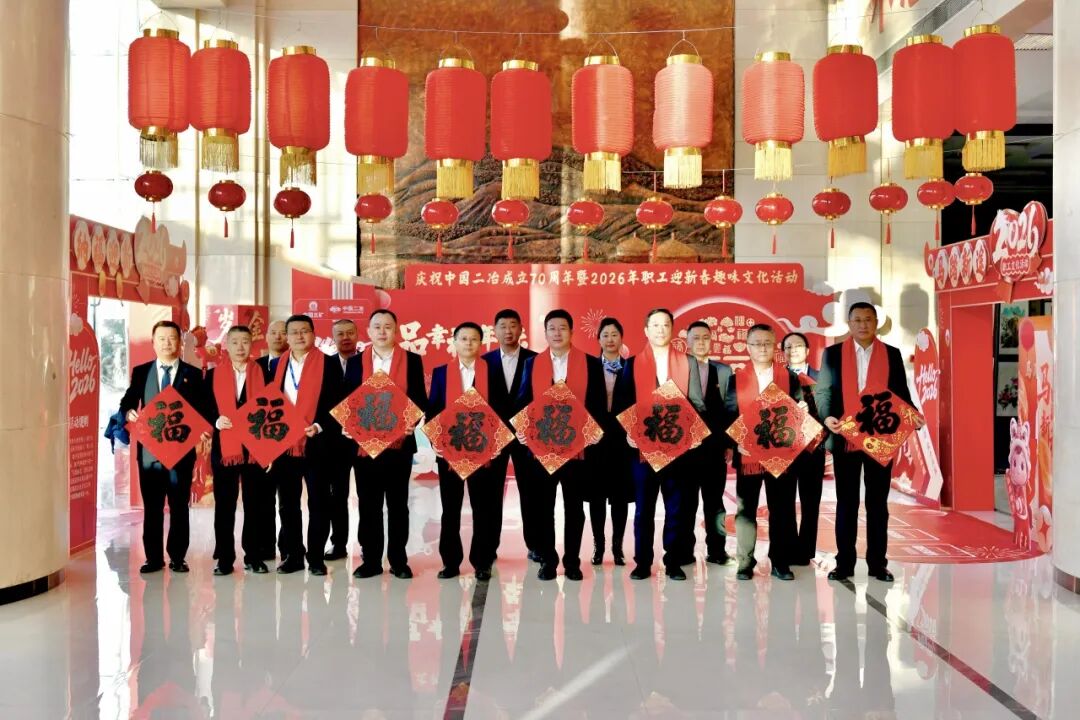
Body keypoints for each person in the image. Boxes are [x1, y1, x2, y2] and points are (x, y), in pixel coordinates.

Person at [815, 302, 922, 582]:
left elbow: (901, 393)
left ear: (876, 322)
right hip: (845, 438)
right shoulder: (833, 354)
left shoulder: (891, 354)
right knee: (846, 502)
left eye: (868, 319)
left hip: (879, 438)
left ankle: (877, 564)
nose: (863, 325)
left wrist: (913, 415)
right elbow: (823, 391)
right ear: (849, 324)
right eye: (857, 320)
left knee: (877, 503)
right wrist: (827, 417)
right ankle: (844, 564)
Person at [517, 309, 607, 581]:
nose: (557, 333)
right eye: (552, 328)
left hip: (578, 450)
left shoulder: (590, 363)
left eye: (562, 328)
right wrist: (521, 431)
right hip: (542, 450)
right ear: (545, 333)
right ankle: (548, 560)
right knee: (543, 508)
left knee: (574, 508)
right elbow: (523, 403)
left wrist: (597, 431)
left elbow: (599, 405)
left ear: (571, 332)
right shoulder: (532, 364)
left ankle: (572, 562)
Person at [612, 308, 697, 581]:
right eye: (655, 325)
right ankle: (643, 562)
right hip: (643, 450)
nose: (661, 330)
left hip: (677, 448)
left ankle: (673, 561)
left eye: (666, 325)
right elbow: (622, 405)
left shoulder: (688, 362)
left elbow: (697, 403)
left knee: (676, 508)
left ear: (672, 329)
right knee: (644, 509)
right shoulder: (632, 364)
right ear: (646, 331)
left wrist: (694, 431)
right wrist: (627, 431)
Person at [118, 320, 207, 574]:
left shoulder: (193, 374)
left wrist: (203, 429)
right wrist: (129, 412)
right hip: (150, 454)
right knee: (153, 507)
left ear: (180, 342)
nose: (167, 343)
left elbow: (203, 408)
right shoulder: (141, 372)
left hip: (181, 451)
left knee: (179, 506)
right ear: (153, 342)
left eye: (172, 338)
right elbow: (127, 402)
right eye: (162, 338)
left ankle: (178, 557)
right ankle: (153, 558)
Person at [352, 309, 427, 579]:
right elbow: (347, 399)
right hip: (364, 447)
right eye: (377, 326)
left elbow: (419, 399)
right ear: (368, 331)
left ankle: (398, 560)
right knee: (368, 504)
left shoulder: (411, 361)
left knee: (398, 504)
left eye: (387, 326)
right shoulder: (356, 362)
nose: (382, 331)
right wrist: (349, 425)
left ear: (396, 330)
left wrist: (411, 422)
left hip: (399, 445)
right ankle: (371, 560)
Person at [267, 314, 344, 576]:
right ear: (287, 337)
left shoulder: (330, 364)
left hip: (317, 444)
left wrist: (319, 425)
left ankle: (316, 558)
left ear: (313, 334)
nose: (299, 336)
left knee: (319, 502)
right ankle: (294, 556)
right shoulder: (277, 365)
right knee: (287, 504)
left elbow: (337, 403)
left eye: (304, 331)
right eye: (294, 332)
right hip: (284, 445)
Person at [428, 322, 502, 581]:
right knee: (451, 509)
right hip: (450, 452)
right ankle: (450, 562)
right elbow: (433, 411)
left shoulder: (492, 372)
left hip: (484, 452)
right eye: (463, 339)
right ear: (454, 342)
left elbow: (501, 411)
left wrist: (496, 443)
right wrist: (435, 442)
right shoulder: (441, 373)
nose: (468, 343)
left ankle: (482, 561)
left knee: (483, 508)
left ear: (481, 343)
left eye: (473, 339)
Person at [729, 323, 802, 581]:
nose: (762, 348)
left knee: (781, 509)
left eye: (767, 343)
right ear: (747, 347)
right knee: (746, 511)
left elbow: (799, 413)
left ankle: (780, 561)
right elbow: (727, 415)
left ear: (775, 347)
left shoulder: (790, 378)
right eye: (757, 343)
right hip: (747, 454)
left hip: (781, 455)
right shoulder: (736, 379)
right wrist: (734, 441)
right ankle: (745, 561)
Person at [204, 325, 274, 575]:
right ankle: (224, 558)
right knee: (225, 505)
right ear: (227, 345)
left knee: (255, 505)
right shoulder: (213, 375)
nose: (240, 347)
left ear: (251, 344)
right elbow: (204, 406)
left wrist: (269, 450)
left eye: (245, 341)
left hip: (256, 448)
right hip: (226, 449)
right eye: (235, 342)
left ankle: (253, 556)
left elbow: (272, 410)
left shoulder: (264, 373)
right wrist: (215, 420)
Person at [480, 309, 539, 561]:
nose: (508, 331)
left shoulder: (536, 360)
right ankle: (489, 547)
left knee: (531, 491)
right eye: (502, 326)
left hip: (527, 437)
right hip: (494, 437)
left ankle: (535, 545)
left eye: (513, 325)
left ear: (521, 329)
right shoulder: (483, 362)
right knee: (491, 493)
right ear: (494, 331)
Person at [680, 320, 735, 566]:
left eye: (705, 337)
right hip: (686, 448)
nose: (701, 342)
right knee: (686, 502)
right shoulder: (679, 367)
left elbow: (729, 409)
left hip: (714, 447)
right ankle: (684, 551)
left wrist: (729, 443)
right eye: (696, 338)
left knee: (715, 502)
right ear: (687, 341)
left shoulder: (723, 371)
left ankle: (717, 550)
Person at [585, 318, 633, 566]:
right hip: (595, 441)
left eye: (614, 334)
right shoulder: (589, 367)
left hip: (623, 442)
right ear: (598, 339)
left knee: (620, 497)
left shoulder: (631, 368)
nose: (610, 339)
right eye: (605, 335)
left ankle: (617, 547)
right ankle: (598, 545)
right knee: (596, 497)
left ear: (621, 338)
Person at [782, 331, 826, 566]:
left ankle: (806, 550)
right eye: (788, 347)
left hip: (813, 448)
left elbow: (831, 407)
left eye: (798, 346)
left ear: (808, 350)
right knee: (785, 500)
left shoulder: (823, 377)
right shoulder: (777, 377)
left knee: (810, 501)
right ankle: (788, 547)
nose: (793, 350)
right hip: (785, 449)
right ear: (783, 352)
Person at [325, 319, 363, 561]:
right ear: (333, 338)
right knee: (337, 495)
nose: (345, 337)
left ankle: (368, 546)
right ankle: (338, 544)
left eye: (350, 333)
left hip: (366, 439)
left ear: (358, 335)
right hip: (334, 441)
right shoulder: (324, 365)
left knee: (368, 497)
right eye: (340, 334)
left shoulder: (368, 363)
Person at [254, 319, 287, 563]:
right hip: (261, 439)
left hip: (289, 439)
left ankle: (287, 547)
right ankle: (265, 546)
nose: (278, 336)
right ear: (265, 336)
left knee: (287, 500)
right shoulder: (254, 367)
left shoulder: (296, 366)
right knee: (263, 498)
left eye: (283, 333)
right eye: (273, 332)